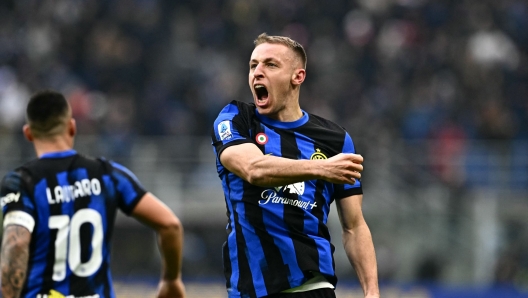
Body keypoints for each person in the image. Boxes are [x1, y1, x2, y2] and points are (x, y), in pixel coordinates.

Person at [211, 33, 379, 298]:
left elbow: (354, 226)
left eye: (271, 65)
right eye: (253, 65)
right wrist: (320, 169)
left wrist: (372, 292)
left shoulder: (335, 139)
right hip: (251, 290)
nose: (258, 72)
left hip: (312, 287)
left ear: (297, 76)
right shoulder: (235, 119)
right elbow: (254, 169)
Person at [0, 90, 185, 298]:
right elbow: (170, 224)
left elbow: (16, 243)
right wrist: (171, 280)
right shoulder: (108, 175)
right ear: (72, 127)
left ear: (28, 133)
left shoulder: (21, 182)